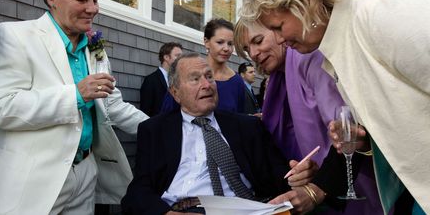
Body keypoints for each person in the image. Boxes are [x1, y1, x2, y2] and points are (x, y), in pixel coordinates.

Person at [240, 0, 430, 213]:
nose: (279, 39)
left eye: (278, 27)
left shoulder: (380, 13)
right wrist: (363, 140)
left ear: (304, 4)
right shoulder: (338, 51)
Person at [0, 0, 149, 214]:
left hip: (86, 173)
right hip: (34, 182)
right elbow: (3, 107)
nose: (93, 9)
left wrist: (166, 130)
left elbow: (112, 106)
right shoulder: (14, 36)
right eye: (82, 0)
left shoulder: (95, 49)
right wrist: (75, 95)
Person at [121, 53, 318, 215]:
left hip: (246, 208)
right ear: (175, 93)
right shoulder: (154, 130)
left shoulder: (248, 126)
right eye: (195, 79)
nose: (206, 85)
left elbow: (282, 175)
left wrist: (300, 176)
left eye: (209, 77)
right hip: (184, 209)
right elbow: (138, 192)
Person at [233, 18, 386, 214]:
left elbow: (347, 131)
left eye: (258, 40)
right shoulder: (277, 78)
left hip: (359, 182)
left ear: (279, 32)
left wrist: (316, 189)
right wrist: (310, 171)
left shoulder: (307, 57)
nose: (253, 54)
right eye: (247, 49)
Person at [161, 18, 245, 113]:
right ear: (206, 42)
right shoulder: (185, 73)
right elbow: (167, 115)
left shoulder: (237, 81)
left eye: (230, 44)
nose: (226, 48)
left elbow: (240, 119)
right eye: (220, 42)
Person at [139, 42, 183, 116]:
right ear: (166, 57)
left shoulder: (180, 81)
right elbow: (145, 111)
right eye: (177, 56)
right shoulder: (151, 80)